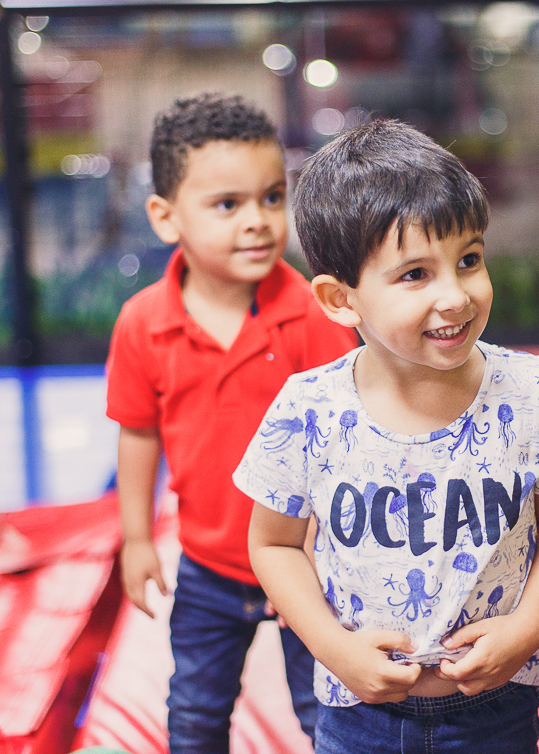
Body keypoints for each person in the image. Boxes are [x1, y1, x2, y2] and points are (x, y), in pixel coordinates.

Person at [233, 118, 539, 754]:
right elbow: (273, 544)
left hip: (497, 705)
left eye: (469, 260)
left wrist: (529, 625)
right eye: (414, 274)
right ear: (340, 299)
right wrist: (334, 648)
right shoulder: (309, 408)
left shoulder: (530, 390)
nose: (456, 296)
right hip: (361, 714)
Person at [105, 93, 358, 753]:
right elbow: (137, 432)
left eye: (272, 198)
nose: (258, 222)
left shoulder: (310, 311)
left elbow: (347, 435)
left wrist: (326, 548)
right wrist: (137, 538)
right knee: (194, 715)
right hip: (209, 567)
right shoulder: (142, 324)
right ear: (166, 218)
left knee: (327, 715)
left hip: (308, 561)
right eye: (228, 205)